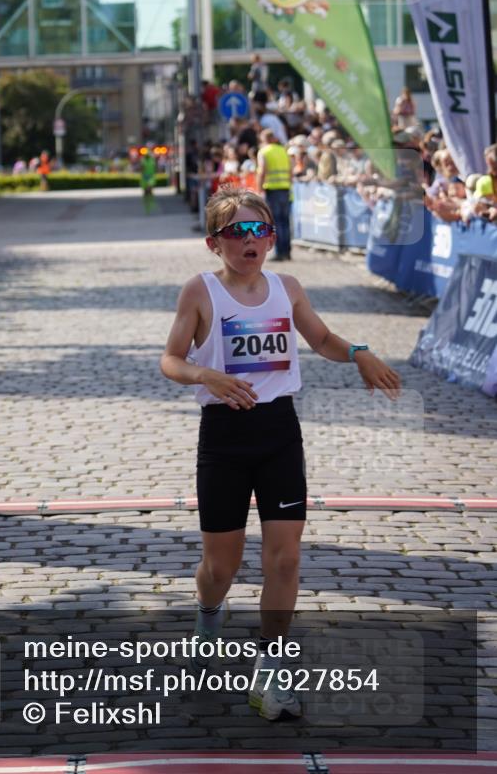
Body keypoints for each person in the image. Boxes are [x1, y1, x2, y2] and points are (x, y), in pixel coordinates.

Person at [160, 185, 401, 722]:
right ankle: (208, 613)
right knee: (220, 566)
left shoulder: (287, 287)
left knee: (286, 558)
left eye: (261, 229)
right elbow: (171, 359)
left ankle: (270, 675)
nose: (251, 240)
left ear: (272, 238)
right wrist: (205, 375)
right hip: (224, 437)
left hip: (278, 432)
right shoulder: (199, 291)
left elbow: (321, 338)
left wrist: (358, 353)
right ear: (214, 242)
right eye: (238, 231)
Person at [256, 129, 292, 261]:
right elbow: (291, 170)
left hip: (272, 189)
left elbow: (262, 171)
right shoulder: (283, 150)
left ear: (263, 139)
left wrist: (259, 189)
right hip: (285, 188)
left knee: (276, 222)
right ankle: (287, 252)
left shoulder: (264, 152)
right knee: (285, 221)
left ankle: (279, 253)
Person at [139, 145, 158, 215]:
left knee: (149, 189)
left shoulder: (152, 160)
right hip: (145, 178)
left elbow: (155, 168)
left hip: (151, 177)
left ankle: (151, 202)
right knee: (146, 192)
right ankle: (147, 203)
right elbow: (141, 169)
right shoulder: (143, 160)